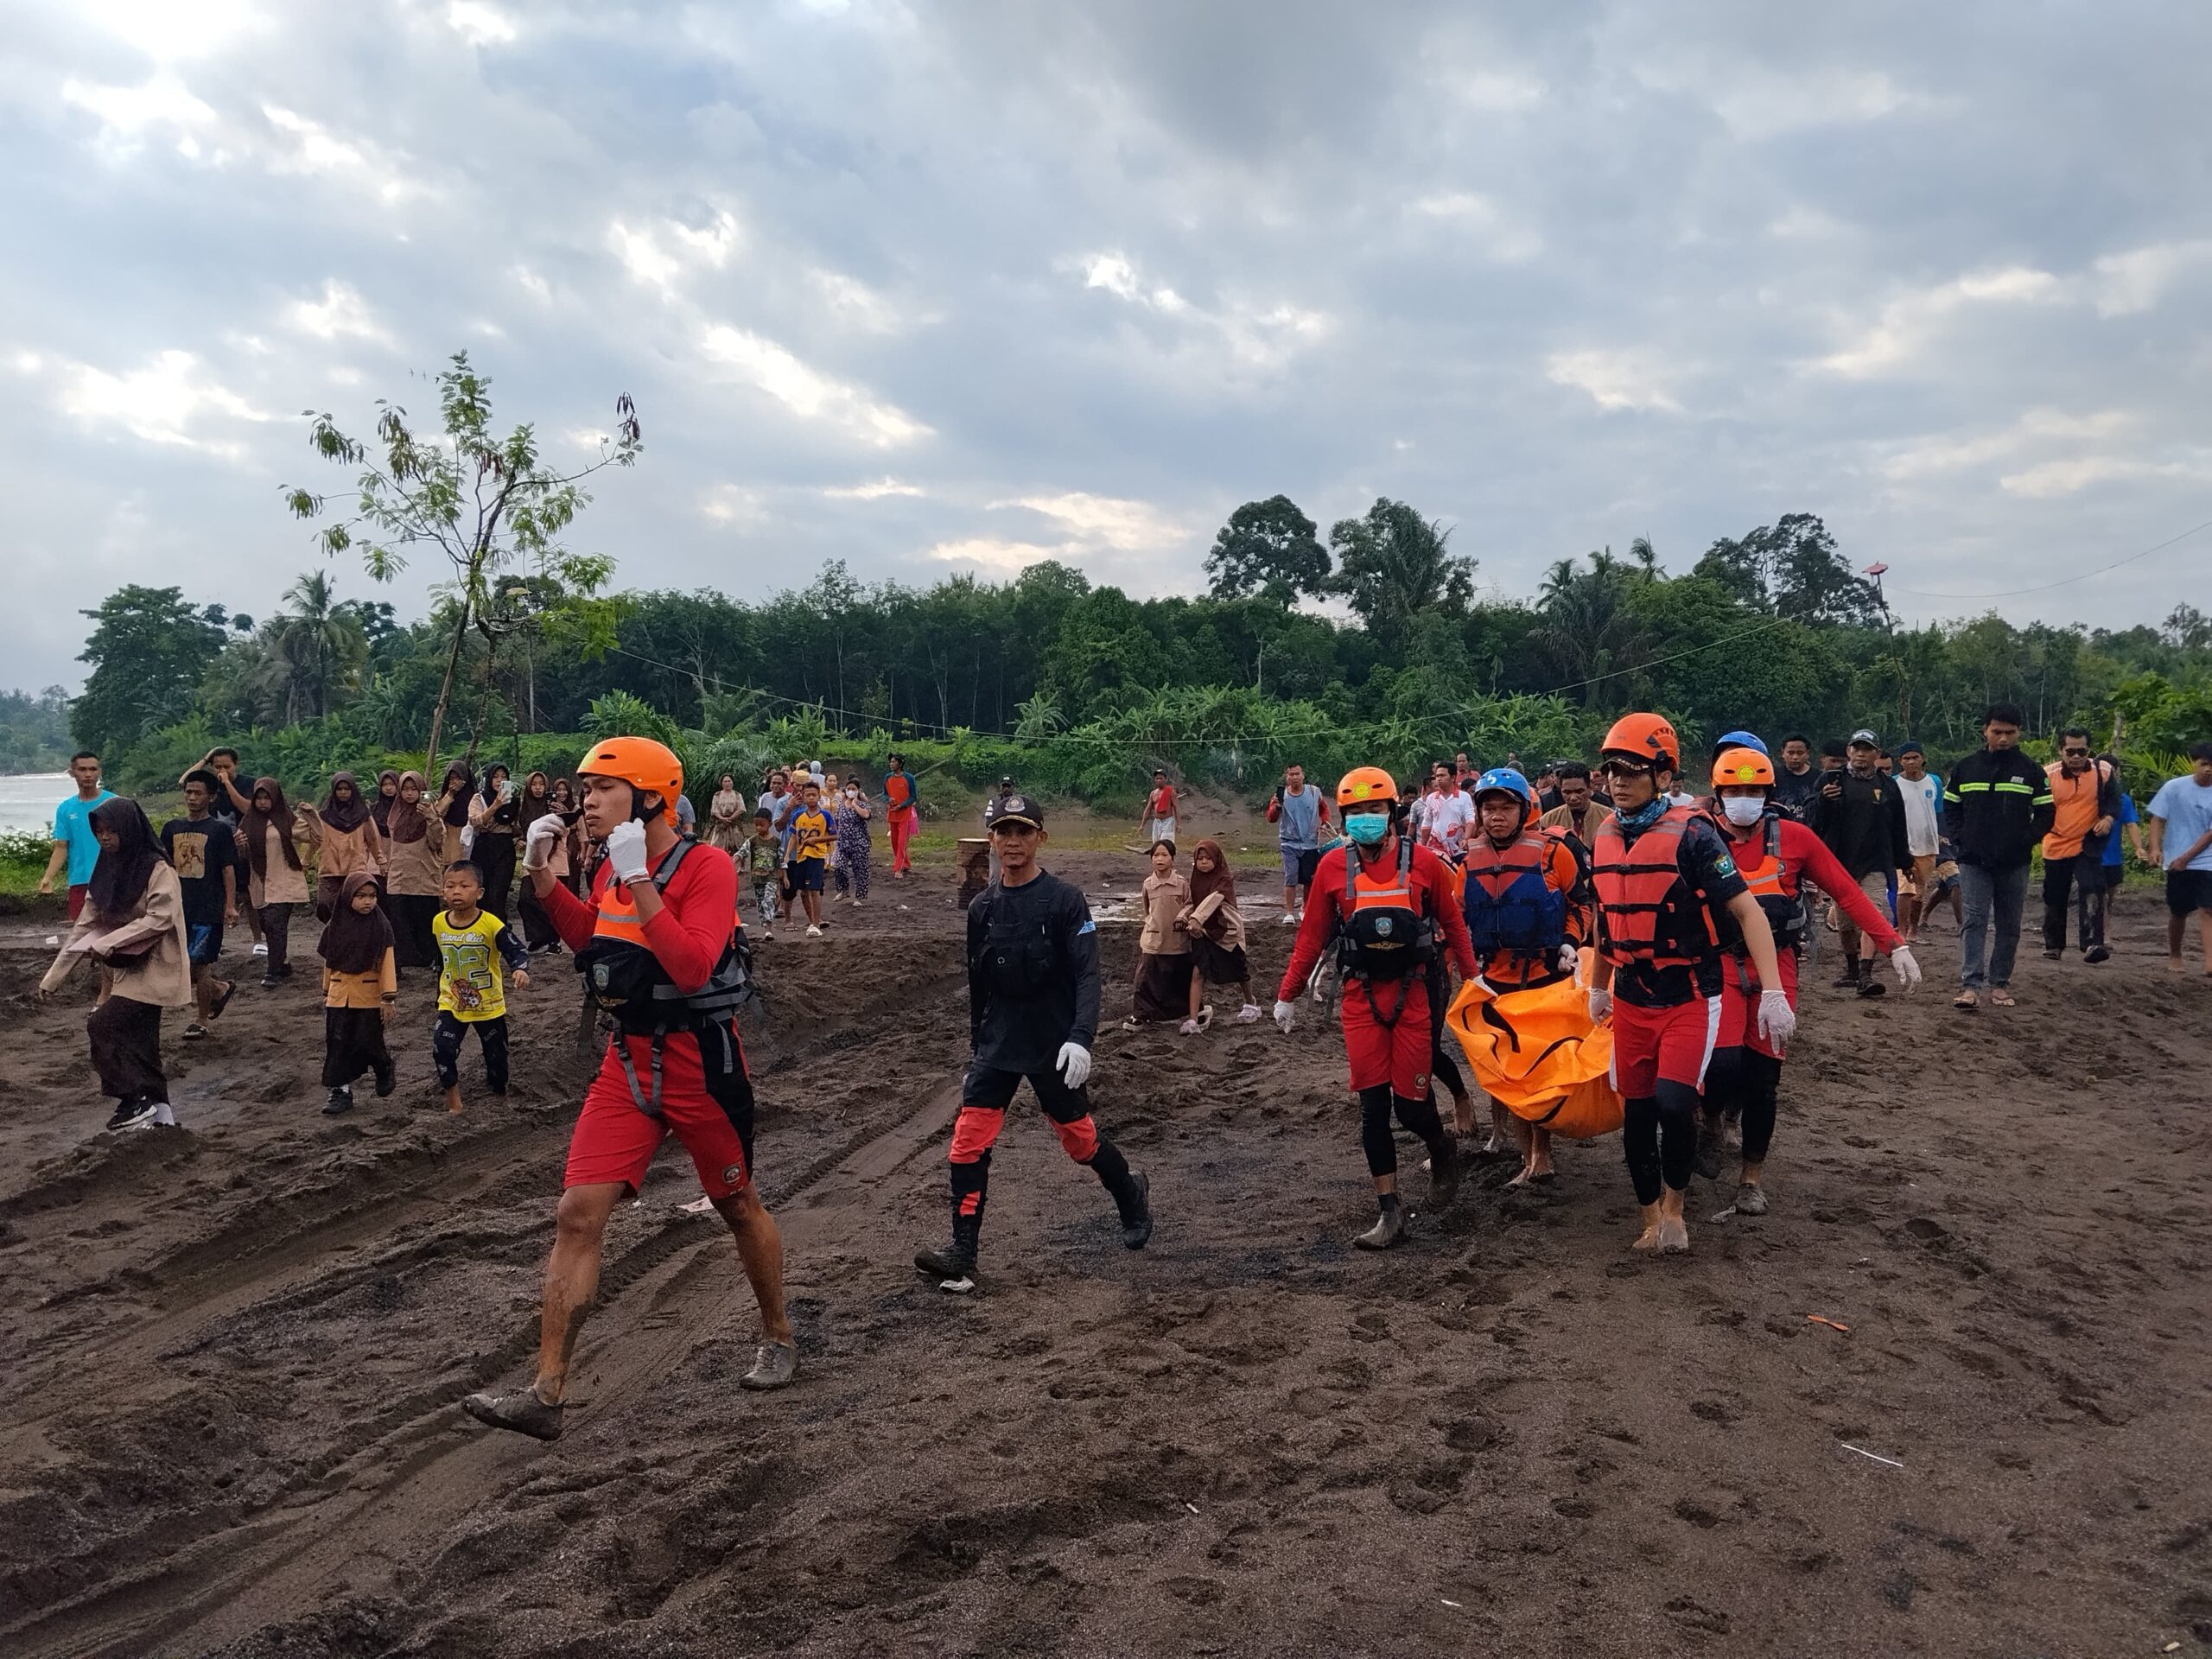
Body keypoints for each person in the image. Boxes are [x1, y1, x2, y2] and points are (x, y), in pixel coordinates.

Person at [465, 736, 796, 1438]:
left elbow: (694, 966)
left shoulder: (704, 867)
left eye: (600, 789)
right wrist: (542, 878)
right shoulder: (612, 868)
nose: (583, 800)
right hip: (628, 1061)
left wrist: (639, 878)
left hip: (702, 1064)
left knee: (737, 1205)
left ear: (649, 796)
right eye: (582, 790)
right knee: (577, 1213)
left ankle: (778, 1334)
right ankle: (546, 1390)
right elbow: (596, 945)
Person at [914, 791, 1151, 1291]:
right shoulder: (981, 907)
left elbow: (1089, 975)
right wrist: (976, 1048)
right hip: (998, 1044)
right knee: (967, 1143)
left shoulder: (1066, 900)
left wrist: (1081, 1038)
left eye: (1024, 831)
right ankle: (963, 1251)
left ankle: (1131, 1194)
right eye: (1004, 831)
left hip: (1053, 1043)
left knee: (1079, 1140)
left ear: (1040, 838)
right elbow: (979, 984)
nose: (1013, 841)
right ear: (992, 840)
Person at [1585, 715, 1788, 1255]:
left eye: (1632, 770)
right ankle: (1650, 1217)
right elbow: (1608, 917)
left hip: (1690, 994)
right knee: (1637, 1112)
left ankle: (1677, 1207)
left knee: (1675, 1104)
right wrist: (1598, 985)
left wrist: (1773, 992)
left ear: (1663, 773)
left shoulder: (1695, 835)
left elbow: (1749, 912)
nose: (1618, 780)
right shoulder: (1603, 836)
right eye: (1611, 770)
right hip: (1630, 994)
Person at [1700, 747, 1920, 1213]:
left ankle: (1751, 1178)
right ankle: (1711, 1120)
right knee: (1719, 1065)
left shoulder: (1796, 838)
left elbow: (1845, 889)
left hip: (1776, 965)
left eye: (1753, 790)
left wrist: (1892, 943)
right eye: (1734, 791)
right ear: (1718, 795)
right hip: (1718, 961)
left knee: (1763, 1079)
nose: (1744, 799)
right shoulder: (1697, 838)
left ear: (1768, 793)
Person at [1274, 766, 1474, 1249]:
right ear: (1344, 817)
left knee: (1411, 1108)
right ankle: (1390, 1212)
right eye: (1357, 811)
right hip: (1361, 999)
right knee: (1372, 1110)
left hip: (1415, 997)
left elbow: (1454, 924)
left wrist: (1476, 979)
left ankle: (1441, 1146)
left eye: (1375, 809)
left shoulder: (1425, 863)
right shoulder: (1329, 868)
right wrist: (1287, 995)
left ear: (1393, 812)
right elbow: (1311, 938)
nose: (1366, 818)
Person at [1459, 767, 1589, 1185]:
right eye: (1489, 808)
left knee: (1540, 1071)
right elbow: (1459, 919)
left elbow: (1582, 903)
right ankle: (1524, 1156)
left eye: (1506, 808)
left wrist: (1571, 941)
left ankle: (1543, 1154)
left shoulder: (1554, 852)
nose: (1497, 816)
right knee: (1503, 1073)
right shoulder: (1469, 861)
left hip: (1544, 978)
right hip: (1493, 978)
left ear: (1524, 810)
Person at [39, 799, 192, 1130]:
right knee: (143, 1044)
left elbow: (161, 918)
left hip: (158, 966)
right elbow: (84, 924)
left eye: (111, 831)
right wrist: (55, 976)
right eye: (99, 832)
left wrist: (109, 941)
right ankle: (163, 1117)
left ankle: (133, 1100)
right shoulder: (106, 868)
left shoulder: (157, 868)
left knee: (103, 1025)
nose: (104, 838)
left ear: (129, 829)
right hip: (126, 967)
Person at [1942, 703, 2054, 1010]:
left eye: (2010, 732)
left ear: (2019, 733)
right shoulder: (1966, 767)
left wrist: (2025, 841)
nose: (2003, 738)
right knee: (1974, 920)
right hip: (1973, 861)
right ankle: (1970, 986)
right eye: (1997, 732)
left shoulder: (2031, 771)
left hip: (2014, 862)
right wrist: (1961, 840)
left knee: (2009, 924)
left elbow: (2046, 813)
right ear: (1985, 731)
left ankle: (2000, 984)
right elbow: (1950, 807)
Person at [1811, 729, 1909, 998]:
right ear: (1848, 752)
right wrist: (1823, 799)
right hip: (1839, 863)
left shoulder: (1888, 786)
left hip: (1876, 863)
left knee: (1873, 916)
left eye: (1867, 749)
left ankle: (1866, 973)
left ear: (1877, 754)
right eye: (1856, 748)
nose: (1861, 754)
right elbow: (1812, 819)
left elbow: (1899, 826)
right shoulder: (1831, 780)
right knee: (1845, 923)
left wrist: (1904, 860)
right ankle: (1852, 968)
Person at [431, 861, 527, 1113]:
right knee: (442, 1048)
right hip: (451, 1002)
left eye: (464, 885)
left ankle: (499, 1094)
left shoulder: (491, 924)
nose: (456, 892)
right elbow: (441, 958)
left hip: (489, 1005)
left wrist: (520, 968)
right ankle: (454, 1104)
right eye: (450, 886)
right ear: (443, 892)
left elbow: (516, 949)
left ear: (479, 892)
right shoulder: (439, 923)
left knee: (497, 1060)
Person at [161, 770, 241, 1041]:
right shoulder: (172, 828)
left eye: (198, 793)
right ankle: (219, 988)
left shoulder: (219, 831)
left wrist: (230, 905)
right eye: (188, 792)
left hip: (208, 908)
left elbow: (228, 870)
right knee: (181, 964)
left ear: (211, 796)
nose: (192, 797)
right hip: (178, 907)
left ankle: (201, 1020)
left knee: (200, 964)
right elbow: (163, 867)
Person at [318, 872, 397, 1116]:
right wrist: (327, 990)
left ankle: (383, 1065)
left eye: (372, 896)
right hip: (340, 994)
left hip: (369, 995)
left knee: (369, 1041)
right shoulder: (336, 926)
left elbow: (386, 964)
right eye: (361, 896)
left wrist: (387, 998)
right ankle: (340, 1091)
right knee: (337, 1042)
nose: (367, 902)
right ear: (347, 896)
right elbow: (330, 961)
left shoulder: (380, 926)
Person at [2040, 728, 2121, 963]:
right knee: (2055, 894)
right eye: (2071, 752)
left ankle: (2092, 944)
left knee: (2094, 887)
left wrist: (2107, 818)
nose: (2076, 757)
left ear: (2089, 751)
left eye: (2082, 751)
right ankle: (2054, 945)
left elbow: (2114, 800)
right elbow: (2038, 807)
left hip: (2087, 843)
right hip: (2056, 842)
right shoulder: (2048, 775)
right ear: (2061, 751)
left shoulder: (2103, 772)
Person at [2146, 742, 2212, 977]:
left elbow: (2210, 834)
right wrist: (2155, 848)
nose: (2208, 770)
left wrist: (2187, 858)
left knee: (2208, 909)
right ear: (2194, 763)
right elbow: (2157, 818)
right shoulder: (2174, 788)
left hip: (2206, 861)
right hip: (2176, 858)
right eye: (2204, 764)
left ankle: (2210, 963)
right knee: (2179, 911)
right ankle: (2175, 955)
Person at [1181, 838, 1262, 1027]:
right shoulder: (1195, 879)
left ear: (1217, 860)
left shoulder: (1224, 879)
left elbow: (1213, 900)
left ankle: (1251, 1003)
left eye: (1208, 858)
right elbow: (1192, 902)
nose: (1204, 862)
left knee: (1240, 971)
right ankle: (1193, 1020)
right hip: (1204, 932)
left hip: (1227, 932)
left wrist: (1196, 918)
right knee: (1198, 972)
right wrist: (1183, 917)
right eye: (1200, 858)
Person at [242, 778, 310, 988]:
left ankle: (272, 972)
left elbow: (317, 836)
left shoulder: (288, 820)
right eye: (259, 798)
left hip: (284, 880)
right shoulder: (248, 821)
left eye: (267, 798)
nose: (263, 802)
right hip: (260, 882)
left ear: (276, 798)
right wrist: (239, 845)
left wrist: (311, 816)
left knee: (275, 924)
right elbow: (243, 854)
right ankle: (283, 964)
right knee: (267, 925)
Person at [383, 771, 452, 971]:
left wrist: (431, 817)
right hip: (398, 878)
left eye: (414, 789)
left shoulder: (430, 816)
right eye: (405, 789)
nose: (410, 794)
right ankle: (401, 961)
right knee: (399, 923)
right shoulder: (394, 816)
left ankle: (431, 959)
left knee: (426, 924)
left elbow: (438, 841)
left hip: (423, 879)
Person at [38, 751, 115, 920]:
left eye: (93, 769)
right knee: (80, 934)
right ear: (72, 773)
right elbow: (61, 847)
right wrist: (48, 877)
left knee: (114, 931)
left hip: (112, 879)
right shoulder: (66, 808)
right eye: (82, 769)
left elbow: (131, 842)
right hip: (80, 881)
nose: (88, 774)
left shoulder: (114, 803)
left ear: (99, 772)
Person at [1129, 838, 1195, 1027]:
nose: (1160, 859)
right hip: (1153, 940)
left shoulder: (1181, 883)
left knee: (1178, 978)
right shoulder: (1148, 884)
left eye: (1164, 855)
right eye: (1156, 855)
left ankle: (1183, 1013)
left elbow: (1190, 904)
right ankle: (1139, 1016)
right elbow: (1147, 909)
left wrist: (1183, 917)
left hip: (1177, 941)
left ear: (1172, 859)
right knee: (1145, 978)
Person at [305, 772, 384, 921]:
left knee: (355, 906)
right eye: (339, 789)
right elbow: (316, 838)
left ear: (353, 790)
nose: (343, 792)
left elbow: (373, 839)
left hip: (355, 868)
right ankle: (333, 932)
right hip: (330, 869)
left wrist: (380, 860)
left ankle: (352, 937)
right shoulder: (325, 815)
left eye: (346, 789)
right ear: (334, 791)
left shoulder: (362, 814)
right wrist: (306, 860)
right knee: (325, 904)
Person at [1891, 742, 1944, 944]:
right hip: (1903, 845)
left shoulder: (1934, 782)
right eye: (1907, 758)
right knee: (1905, 889)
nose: (1911, 762)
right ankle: (1902, 931)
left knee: (1920, 891)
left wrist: (1941, 836)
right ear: (1900, 762)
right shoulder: (1894, 783)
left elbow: (1938, 812)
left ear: (1923, 758)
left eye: (1915, 757)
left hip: (1928, 844)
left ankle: (1914, 929)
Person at [1268, 762, 1332, 925]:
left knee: (1309, 880)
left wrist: (1323, 823)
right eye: (1291, 774)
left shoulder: (1314, 792)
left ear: (1303, 775)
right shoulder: (1280, 796)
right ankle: (1289, 912)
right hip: (1289, 843)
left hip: (1310, 843)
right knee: (1290, 878)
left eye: (1297, 774)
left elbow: (1324, 809)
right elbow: (1271, 818)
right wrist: (1277, 807)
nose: (1295, 777)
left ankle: (1305, 909)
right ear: (1286, 777)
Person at [2093, 760, 2148, 949]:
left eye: (2112, 772)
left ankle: (2103, 933)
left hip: (2112, 858)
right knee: (2096, 896)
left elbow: (2131, 824)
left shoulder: (2123, 800)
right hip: (2089, 855)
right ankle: (2098, 934)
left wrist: (2139, 847)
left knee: (2108, 898)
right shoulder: (2086, 796)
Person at [514, 772, 564, 954]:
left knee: (548, 899)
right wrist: (518, 840)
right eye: (534, 784)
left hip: (552, 856)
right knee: (526, 899)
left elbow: (563, 827)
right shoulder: (523, 808)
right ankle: (540, 937)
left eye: (541, 784)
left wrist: (561, 813)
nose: (537, 788)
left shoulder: (551, 807)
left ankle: (554, 940)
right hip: (531, 857)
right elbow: (516, 830)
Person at [469, 765, 522, 920]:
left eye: (503, 777)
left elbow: (518, 826)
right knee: (483, 892)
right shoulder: (479, 798)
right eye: (496, 776)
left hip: (505, 848)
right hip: (484, 847)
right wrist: (496, 805)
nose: (500, 780)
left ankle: (500, 930)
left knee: (499, 893)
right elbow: (476, 822)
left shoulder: (514, 801)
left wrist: (518, 837)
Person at [785, 779, 832, 937]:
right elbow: (793, 837)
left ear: (819, 797)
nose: (811, 798)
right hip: (800, 857)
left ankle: (816, 924)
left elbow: (834, 835)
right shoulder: (798, 815)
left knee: (814, 890)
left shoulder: (825, 815)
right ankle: (812, 921)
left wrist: (816, 840)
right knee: (803, 891)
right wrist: (786, 855)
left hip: (817, 856)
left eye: (814, 795)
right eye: (808, 795)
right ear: (803, 798)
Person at [1540, 762, 1609, 849]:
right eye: (1567, 792)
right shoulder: (1548, 820)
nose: (1573, 798)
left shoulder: (1608, 817)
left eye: (1579, 792)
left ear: (1590, 788)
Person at [1420, 760, 1474, 861]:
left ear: (1453, 777)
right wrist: (1423, 846)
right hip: (1436, 850)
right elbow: (1427, 824)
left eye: (1442, 776)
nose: (1439, 779)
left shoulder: (1464, 797)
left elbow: (1470, 820)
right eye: (1437, 776)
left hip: (1458, 850)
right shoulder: (1431, 798)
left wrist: (1466, 839)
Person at [832, 779, 873, 906]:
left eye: (853, 789)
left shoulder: (863, 805)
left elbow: (866, 816)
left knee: (860, 870)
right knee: (839, 866)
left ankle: (859, 897)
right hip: (843, 842)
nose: (850, 791)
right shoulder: (841, 805)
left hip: (859, 842)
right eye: (848, 788)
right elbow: (836, 821)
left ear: (858, 791)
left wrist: (855, 805)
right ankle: (844, 890)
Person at [742, 809, 782, 939]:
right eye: (756, 825)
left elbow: (781, 861)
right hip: (757, 878)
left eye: (762, 825)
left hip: (771, 877)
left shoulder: (776, 842)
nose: (758, 827)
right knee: (761, 904)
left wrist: (784, 877)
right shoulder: (752, 841)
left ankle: (769, 930)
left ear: (770, 824)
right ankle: (765, 925)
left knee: (768, 900)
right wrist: (732, 860)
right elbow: (742, 852)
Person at [882, 753, 919, 878]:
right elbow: (884, 794)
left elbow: (914, 796)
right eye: (890, 762)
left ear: (900, 763)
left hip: (905, 815)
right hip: (892, 813)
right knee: (894, 843)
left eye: (894, 762)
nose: (891, 764)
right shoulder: (888, 777)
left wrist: (903, 805)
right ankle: (906, 863)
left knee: (902, 842)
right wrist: (888, 799)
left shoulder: (909, 778)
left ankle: (898, 869)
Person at [1772, 735, 1821, 818]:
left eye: (1800, 753)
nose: (1795, 757)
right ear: (1783, 753)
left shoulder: (1819, 777)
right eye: (1790, 753)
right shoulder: (1774, 776)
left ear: (1808, 754)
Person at [1141, 768, 1179, 847]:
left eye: (1161, 778)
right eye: (1157, 779)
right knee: (1156, 844)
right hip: (1157, 822)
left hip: (1168, 821)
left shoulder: (1171, 792)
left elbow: (1176, 808)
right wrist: (1142, 825)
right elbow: (1148, 809)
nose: (1159, 780)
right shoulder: (1153, 793)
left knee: (1166, 844)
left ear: (1165, 779)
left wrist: (1178, 824)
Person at [708, 773, 747, 852]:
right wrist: (722, 819)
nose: (727, 783)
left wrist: (731, 818)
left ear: (732, 782)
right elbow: (714, 810)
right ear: (722, 783)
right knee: (717, 849)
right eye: (725, 781)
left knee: (737, 850)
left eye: (729, 781)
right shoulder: (717, 795)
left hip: (735, 825)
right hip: (721, 826)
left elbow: (741, 809)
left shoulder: (737, 795)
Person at [370, 769, 402, 839]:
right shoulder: (374, 808)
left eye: (392, 784)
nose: (388, 788)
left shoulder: (405, 807)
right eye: (384, 784)